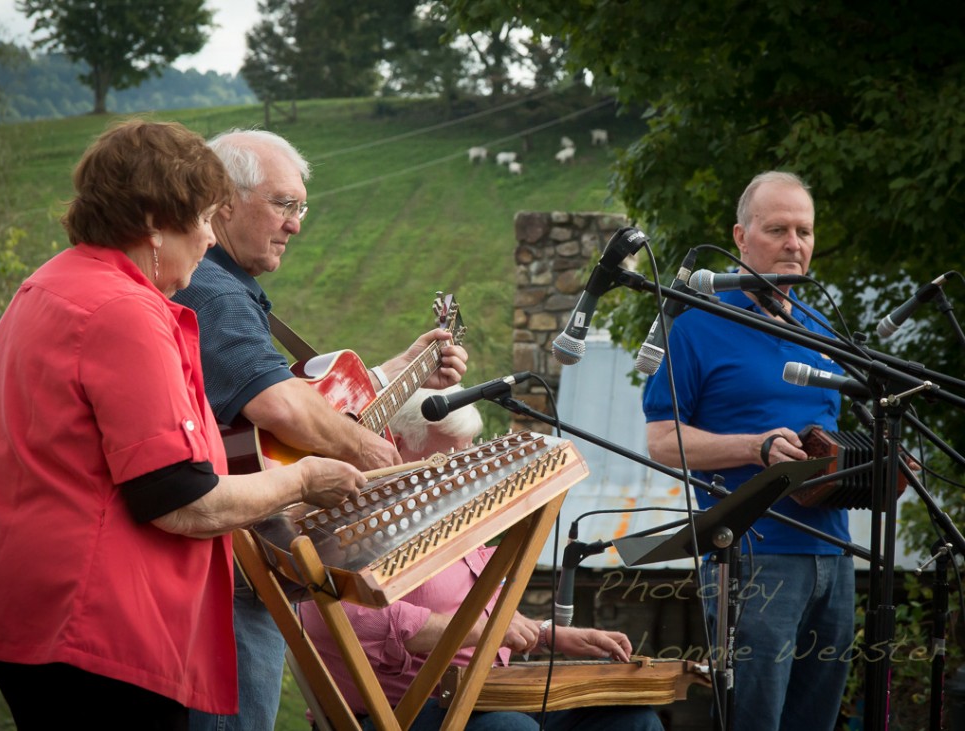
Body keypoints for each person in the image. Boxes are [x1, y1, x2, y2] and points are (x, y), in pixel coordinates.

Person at [0, 120, 365, 731]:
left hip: (25, 610)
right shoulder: (123, 310)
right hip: (95, 624)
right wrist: (302, 480)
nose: (205, 238)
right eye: (199, 219)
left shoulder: (49, 283)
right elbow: (181, 499)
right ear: (152, 225)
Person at [171, 129, 468, 731]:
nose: (296, 225)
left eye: (300, 207)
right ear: (224, 200)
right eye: (283, 204)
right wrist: (368, 449)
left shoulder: (227, 291)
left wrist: (403, 371)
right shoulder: (216, 291)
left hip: (235, 563)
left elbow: (309, 402)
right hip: (229, 569)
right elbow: (281, 412)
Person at [296, 386, 664, 731]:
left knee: (630, 718)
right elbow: (351, 619)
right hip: (395, 713)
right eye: (449, 456)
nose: (462, 468)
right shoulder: (346, 519)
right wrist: (484, 631)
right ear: (396, 444)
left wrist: (548, 636)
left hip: (485, 695)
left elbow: (485, 611)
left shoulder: (444, 514)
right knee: (510, 728)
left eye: (468, 452)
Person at [642, 171, 853, 731]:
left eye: (804, 231)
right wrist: (754, 448)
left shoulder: (823, 329)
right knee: (754, 721)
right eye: (777, 228)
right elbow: (661, 440)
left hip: (835, 554)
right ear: (740, 236)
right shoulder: (693, 330)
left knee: (818, 721)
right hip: (753, 559)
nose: (794, 244)